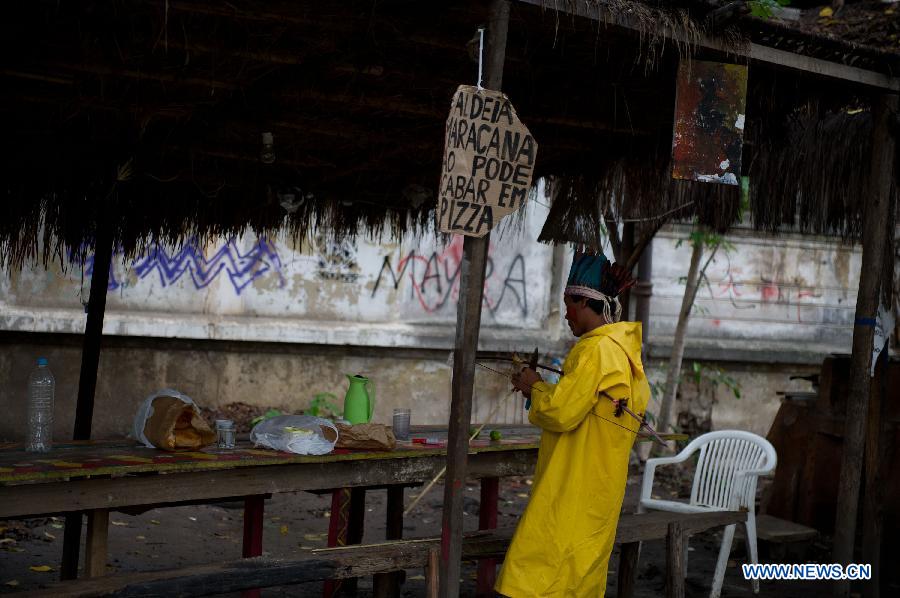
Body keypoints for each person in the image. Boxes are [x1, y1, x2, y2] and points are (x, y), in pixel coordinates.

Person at [495, 250, 651, 598]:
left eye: (568, 302)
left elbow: (562, 412)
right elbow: (585, 403)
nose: (565, 312)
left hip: (574, 484)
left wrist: (533, 385)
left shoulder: (594, 351)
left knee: (538, 569)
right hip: (602, 488)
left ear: (584, 302)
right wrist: (542, 387)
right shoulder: (625, 352)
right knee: (580, 573)